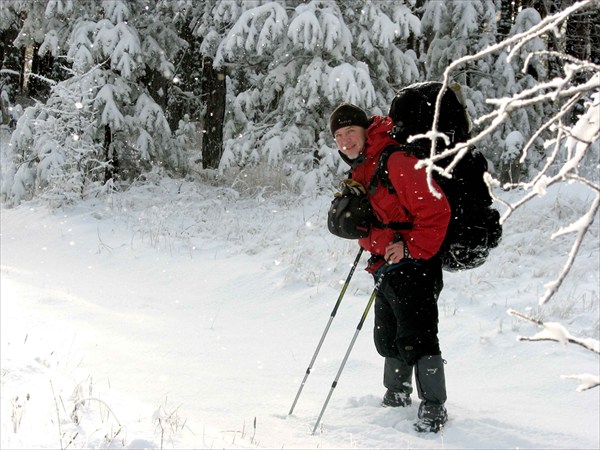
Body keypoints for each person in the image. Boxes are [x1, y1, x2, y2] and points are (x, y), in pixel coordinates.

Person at [328, 102, 451, 433]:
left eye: (350, 132)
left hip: (415, 264)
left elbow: (437, 210)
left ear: (365, 131)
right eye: (338, 135)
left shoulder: (396, 161)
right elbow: (382, 214)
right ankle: (396, 393)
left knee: (419, 336)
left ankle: (433, 406)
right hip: (384, 266)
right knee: (389, 335)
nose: (345, 141)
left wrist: (410, 247)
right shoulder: (362, 167)